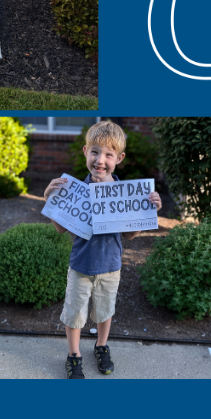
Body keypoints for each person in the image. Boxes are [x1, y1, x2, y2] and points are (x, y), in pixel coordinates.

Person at [42, 121, 163, 378]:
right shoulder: (75, 189)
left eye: (109, 154)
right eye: (95, 152)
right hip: (81, 266)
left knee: (105, 311)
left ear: (119, 158)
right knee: (75, 314)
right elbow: (61, 229)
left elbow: (129, 234)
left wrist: (145, 212)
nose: (100, 160)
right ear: (85, 151)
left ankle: (101, 346)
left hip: (110, 267)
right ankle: (74, 355)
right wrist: (50, 200)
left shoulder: (125, 194)